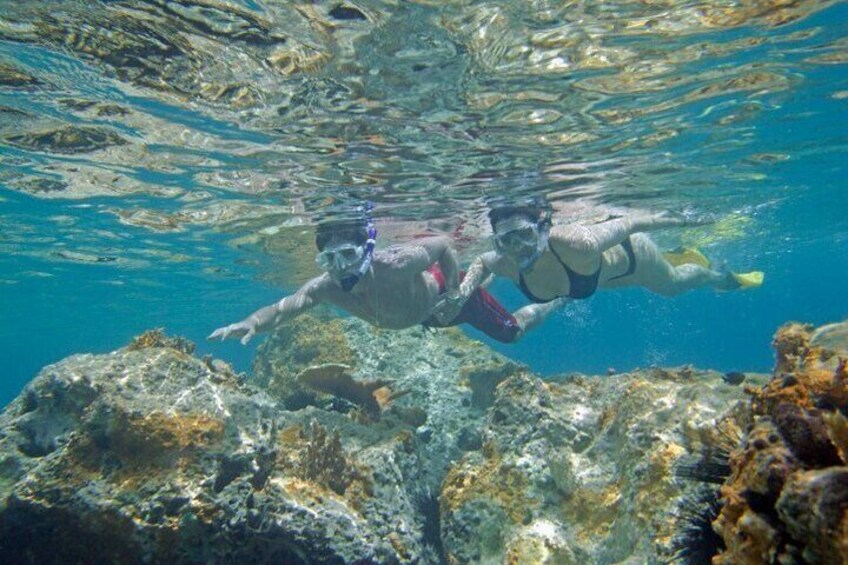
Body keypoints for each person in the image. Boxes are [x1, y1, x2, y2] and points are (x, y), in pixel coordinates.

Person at [208, 213, 562, 345]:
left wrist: (456, 293)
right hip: (423, 317)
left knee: (512, 333)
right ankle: (483, 276)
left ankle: (556, 300)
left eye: (348, 255)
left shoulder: (394, 264)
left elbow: (442, 245)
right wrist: (252, 323)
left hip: (442, 299)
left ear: (366, 252)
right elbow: (282, 310)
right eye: (329, 259)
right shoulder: (325, 287)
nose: (341, 268)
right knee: (479, 284)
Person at [432, 197, 763, 321]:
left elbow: (634, 222)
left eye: (525, 235)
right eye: (506, 240)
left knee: (672, 286)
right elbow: (481, 263)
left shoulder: (577, 244)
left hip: (634, 258)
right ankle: (680, 257)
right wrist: (459, 295)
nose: (518, 248)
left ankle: (718, 276)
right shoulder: (504, 260)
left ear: (542, 231)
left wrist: (691, 219)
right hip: (601, 279)